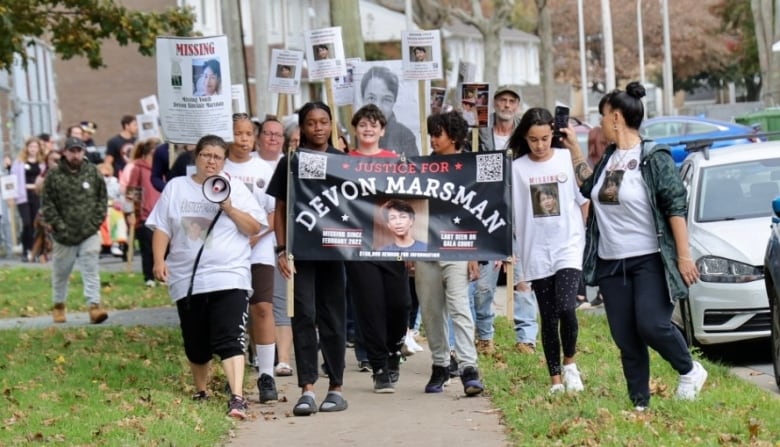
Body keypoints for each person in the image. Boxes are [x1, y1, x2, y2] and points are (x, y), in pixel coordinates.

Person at [564, 82, 707, 410]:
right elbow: (589, 188)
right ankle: (640, 404)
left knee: (652, 324)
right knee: (626, 337)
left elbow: (675, 206)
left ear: (616, 117)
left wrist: (684, 256)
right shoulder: (611, 158)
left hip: (649, 259)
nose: (599, 124)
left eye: (602, 117)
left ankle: (689, 370)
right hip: (611, 261)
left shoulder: (652, 156)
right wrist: (573, 147)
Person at [146, 134, 265, 420]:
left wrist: (229, 207)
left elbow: (254, 228)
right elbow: (162, 227)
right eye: (206, 155)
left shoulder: (235, 188)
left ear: (225, 162)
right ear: (196, 157)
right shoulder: (176, 187)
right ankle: (201, 390)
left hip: (229, 275)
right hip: (188, 279)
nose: (211, 161)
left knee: (230, 338)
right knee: (196, 342)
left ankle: (237, 397)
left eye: (217, 157)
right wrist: (159, 260)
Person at [267, 102, 348, 416]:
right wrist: (281, 249)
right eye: (312, 123)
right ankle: (308, 389)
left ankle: (336, 388)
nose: (318, 128)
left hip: (336, 252)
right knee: (303, 314)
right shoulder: (291, 162)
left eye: (324, 122)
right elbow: (280, 209)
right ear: (302, 127)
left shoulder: (344, 162)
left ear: (331, 124)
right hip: (301, 253)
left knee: (333, 318)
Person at [507, 107, 588, 395]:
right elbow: (511, 213)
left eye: (544, 138)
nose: (540, 146)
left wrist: (582, 231)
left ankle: (570, 364)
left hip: (568, 245)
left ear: (553, 134)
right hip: (536, 250)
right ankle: (555, 380)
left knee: (567, 307)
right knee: (549, 315)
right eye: (533, 140)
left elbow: (584, 196)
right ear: (525, 138)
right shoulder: (517, 169)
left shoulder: (567, 158)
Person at [415, 111, 484, 396]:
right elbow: (414, 207)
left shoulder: (469, 167)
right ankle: (441, 364)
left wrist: (474, 254)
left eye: (438, 134)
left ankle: (469, 367)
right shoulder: (422, 167)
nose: (433, 139)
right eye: (431, 134)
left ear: (453, 136)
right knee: (431, 311)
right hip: (425, 247)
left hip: (458, 248)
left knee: (459, 307)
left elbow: (478, 210)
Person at [345, 104, 412, 393]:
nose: (368, 129)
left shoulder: (394, 161)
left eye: (374, 124)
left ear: (383, 131)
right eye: (363, 124)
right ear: (356, 129)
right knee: (369, 307)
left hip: (391, 244)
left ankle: (395, 349)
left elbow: (411, 200)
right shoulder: (344, 162)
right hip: (359, 246)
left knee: (401, 304)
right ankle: (379, 367)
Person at [472, 84, 537, 357]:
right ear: (494, 104)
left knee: (523, 280)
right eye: (502, 100)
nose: (507, 105)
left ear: (517, 105)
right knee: (484, 284)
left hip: (520, 217)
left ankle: (527, 337)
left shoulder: (524, 138)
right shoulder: (479, 136)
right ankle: (485, 335)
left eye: (512, 101)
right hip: (488, 216)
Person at [224, 113, 279, 404]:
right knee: (233, 312)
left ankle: (266, 373)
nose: (243, 140)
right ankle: (233, 374)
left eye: (248, 134)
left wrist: (258, 234)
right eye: (237, 133)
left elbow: (273, 211)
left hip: (258, 248)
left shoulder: (263, 168)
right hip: (228, 251)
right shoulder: (220, 166)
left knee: (262, 307)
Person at [41, 137, 108, 324]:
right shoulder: (54, 175)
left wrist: (93, 224)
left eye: (79, 151)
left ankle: (94, 306)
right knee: (61, 272)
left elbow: (102, 201)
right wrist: (60, 227)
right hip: (63, 235)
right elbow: (47, 204)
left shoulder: (93, 173)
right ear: (65, 152)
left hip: (89, 232)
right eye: (72, 151)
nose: (76, 154)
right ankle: (59, 306)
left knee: (91, 269)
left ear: (84, 152)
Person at [256, 118, 294, 378]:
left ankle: (282, 358)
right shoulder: (247, 165)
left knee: (281, 301)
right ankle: (257, 353)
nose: (273, 138)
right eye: (268, 133)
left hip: (279, 241)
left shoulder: (289, 165)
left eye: (279, 134)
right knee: (258, 302)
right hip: (251, 244)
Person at [360, 66, 419, 157]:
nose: (378, 107)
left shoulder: (405, 136)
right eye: (371, 98)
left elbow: (414, 169)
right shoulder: (354, 134)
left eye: (386, 100)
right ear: (362, 98)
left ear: (394, 102)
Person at [126, 139, 162, 287]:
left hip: (161, 213)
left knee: (162, 247)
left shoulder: (161, 167)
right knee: (147, 248)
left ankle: (161, 275)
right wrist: (132, 211)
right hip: (145, 214)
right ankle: (149, 277)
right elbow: (132, 190)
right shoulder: (138, 168)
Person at [10, 137, 45, 262]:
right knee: (26, 223)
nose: (33, 149)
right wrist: (12, 196)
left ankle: (35, 249)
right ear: (26, 148)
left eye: (35, 147)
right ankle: (26, 249)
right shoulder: (19, 163)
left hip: (36, 195)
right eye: (31, 147)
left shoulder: (42, 163)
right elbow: (12, 179)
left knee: (36, 224)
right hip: (23, 196)